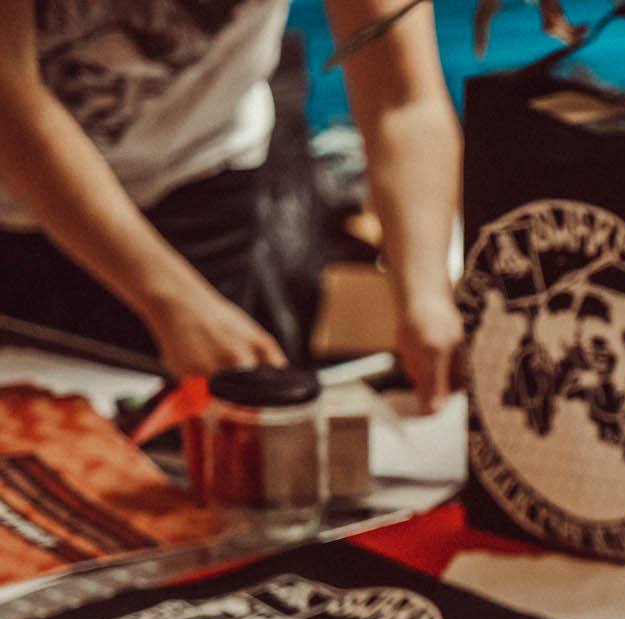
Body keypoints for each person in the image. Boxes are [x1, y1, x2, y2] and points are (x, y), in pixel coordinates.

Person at [0, 0, 461, 405]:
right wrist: (170, 297)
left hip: (199, 186)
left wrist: (425, 294)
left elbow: (401, 100)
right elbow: (9, 98)